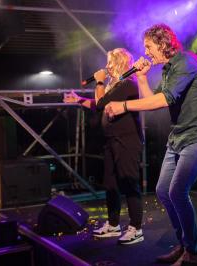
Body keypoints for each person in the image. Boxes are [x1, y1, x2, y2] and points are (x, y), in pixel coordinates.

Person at [104, 24, 197, 265]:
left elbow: (164, 100)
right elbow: (150, 101)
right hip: (178, 137)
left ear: (163, 43)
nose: (146, 52)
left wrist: (123, 106)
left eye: (148, 47)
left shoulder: (187, 62)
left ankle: (193, 252)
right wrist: (142, 77)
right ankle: (184, 244)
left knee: (177, 191)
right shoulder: (168, 69)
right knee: (162, 190)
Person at [64, 48, 144, 245]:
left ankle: (136, 228)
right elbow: (101, 104)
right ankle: (114, 224)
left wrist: (99, 82)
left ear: (119, 63)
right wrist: (79, 100)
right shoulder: (116, 86)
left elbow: (100, 104)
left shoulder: (128, 84)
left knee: (129, 182)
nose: (106, 66)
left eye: (110, 62)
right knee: (111, 183)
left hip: (127, 140)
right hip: (111, 141)